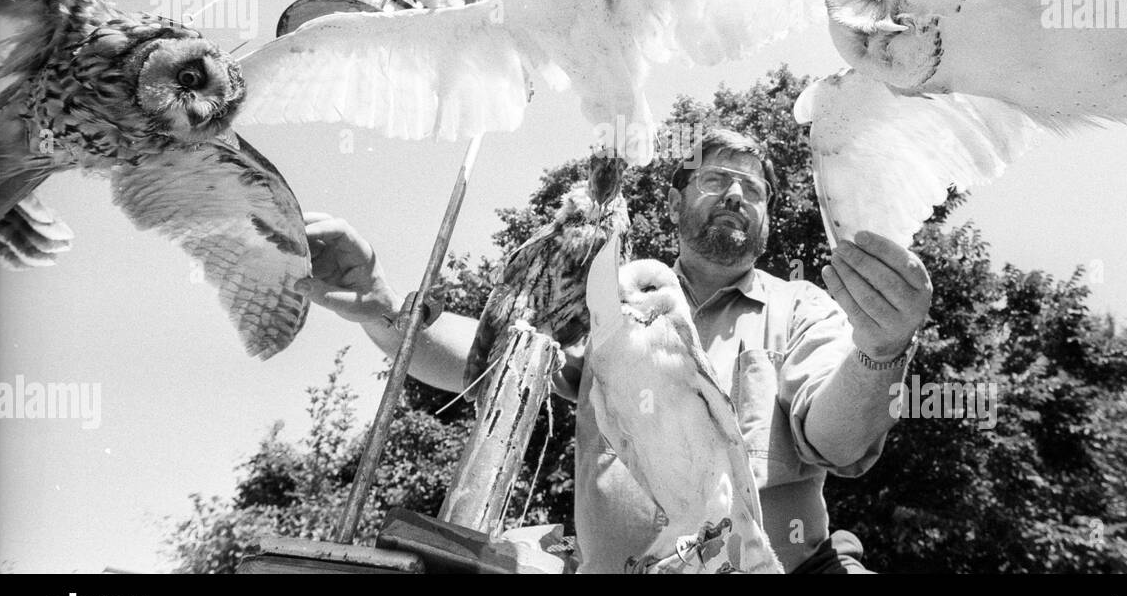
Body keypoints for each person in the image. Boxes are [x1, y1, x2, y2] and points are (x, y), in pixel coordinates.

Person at [298, 129, 932, 573]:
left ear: (768, 218)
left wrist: (879, 350)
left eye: (754, 189)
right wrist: (382, 307)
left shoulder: (803, 308)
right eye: (715, 179)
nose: (738, 194)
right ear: (676, 202)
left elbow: (840, 441)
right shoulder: (613, 294)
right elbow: (500, 358)